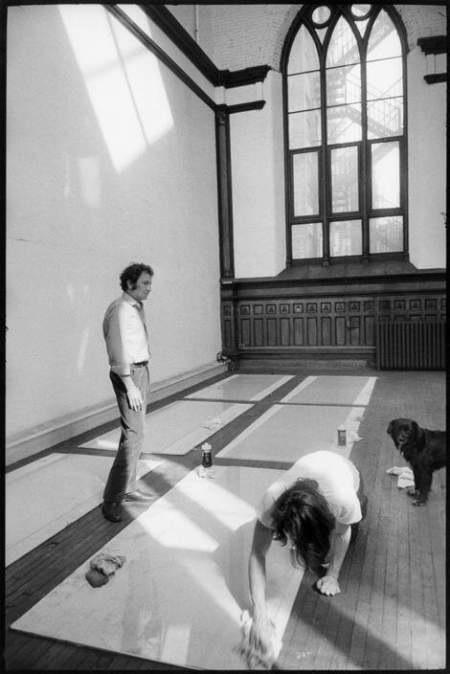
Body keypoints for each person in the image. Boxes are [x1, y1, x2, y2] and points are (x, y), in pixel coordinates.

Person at [248, 449, 367, 655]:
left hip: (348, 474)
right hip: (316, 463)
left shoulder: (342, 499)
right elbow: (257, 553)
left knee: (340, 543)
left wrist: (332, 575)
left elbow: (342, 534)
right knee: (312, 555)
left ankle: (363, 505)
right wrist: (260, 615)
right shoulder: (272, 499)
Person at [101, 262, 155, 522]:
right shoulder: (120, 310)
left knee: (137, 432)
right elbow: (116, 348)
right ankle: (111, 500)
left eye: (149, 283)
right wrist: (129, 383)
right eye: (145, 283)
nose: (149, 288)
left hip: (139, 371)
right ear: (130, 283)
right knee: (132, 436)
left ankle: (129, 487)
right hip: (129, 375)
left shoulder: (134, 307)